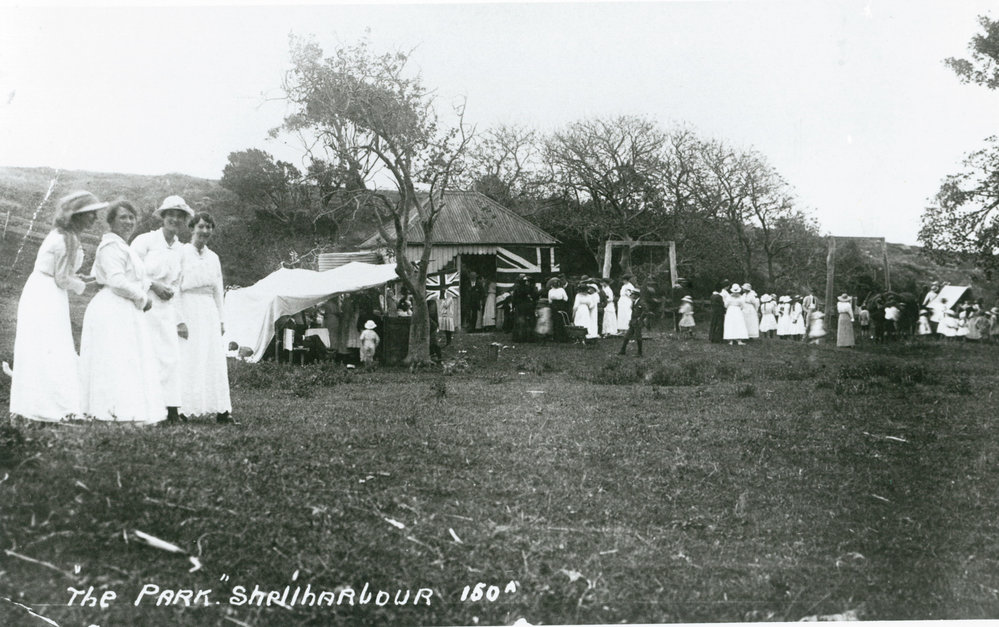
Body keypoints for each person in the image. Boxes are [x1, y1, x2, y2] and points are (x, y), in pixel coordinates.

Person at [10, 191, 105, 422]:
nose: (94, 218)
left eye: (94, 213)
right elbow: (61, 278)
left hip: (45, 290)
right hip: (46, 294)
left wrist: (80, 278)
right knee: (50, 345)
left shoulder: (66, 235)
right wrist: (84, 286)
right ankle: (51, 406)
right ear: (75, 216)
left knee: (48, 346)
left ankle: (42, 403)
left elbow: (62, 272)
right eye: (89, 214)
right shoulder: (65, 238)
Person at [79, 200, 165, 424]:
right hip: (112, 308)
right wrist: (142, 297)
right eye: (122, 217)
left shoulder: (123, 247)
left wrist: (144, 289)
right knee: (114, 359)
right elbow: (116, 280)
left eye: (131, 217)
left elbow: (127, 276)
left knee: (127, 359)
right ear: (111, 222)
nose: (128, 221)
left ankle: (125, 409)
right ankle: (108, 410)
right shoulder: (110, 246)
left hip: (124, 308)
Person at [132, 195, 191, 423]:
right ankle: (144, 408)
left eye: (179, 215)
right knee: (146, 354)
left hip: (166, 308)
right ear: (163, 216)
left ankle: (170, 409)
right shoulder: (145, 241)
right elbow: (131, 272)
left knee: (170, 357)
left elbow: (177, 283)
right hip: (144, 304)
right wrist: (152, 285)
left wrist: (177, 312)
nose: (174, 219)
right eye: (171, 214)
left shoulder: (180, 249)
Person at [177, 212, 233, 424]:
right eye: (201, 226)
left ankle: (221, 410)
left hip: (208, 310)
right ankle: (183, 409)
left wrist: (221, 319)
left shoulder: (214, 257)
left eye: (209, 227)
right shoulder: (182, 253)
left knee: (212, 358)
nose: (205, 231)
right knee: (189, 358)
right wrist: (178, 319)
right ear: (192, 228)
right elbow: (175, 288)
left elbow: (218, 290)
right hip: (188, 308)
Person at [618, 289, 647, 356]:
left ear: (636, 295)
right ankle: (622, 350)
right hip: (633, 321)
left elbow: (646, 311)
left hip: (637, 321)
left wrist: (640, 318)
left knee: (638, 337)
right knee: (626, 336)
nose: (632, 296)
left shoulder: (641, 302)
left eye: (633, 294)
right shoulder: (635, 302)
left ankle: (640, 352)